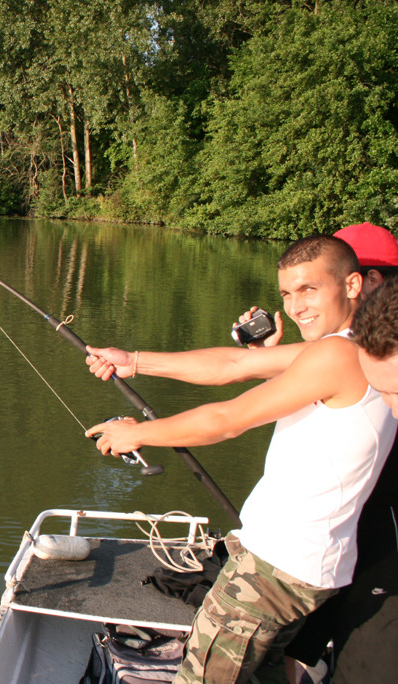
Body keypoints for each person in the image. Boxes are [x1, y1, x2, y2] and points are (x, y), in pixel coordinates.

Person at [83, 235, 396, 683]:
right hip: (306, 565)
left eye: (309, 290)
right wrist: (133, 361)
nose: (296, 306)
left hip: (274, 569)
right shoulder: (359, 347)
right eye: (287, 294)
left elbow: (227, 419)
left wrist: (137, 433)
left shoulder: (338, 354)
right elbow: (233, 364)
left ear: (352, 285)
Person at [280, 223, 398, 683]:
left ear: (363, 282)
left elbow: (232, 409)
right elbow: (242, 365)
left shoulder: (368, 349)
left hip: (379, 537)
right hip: (338, 538)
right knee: (294, 638)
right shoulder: (345, 347)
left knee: (365, 661)